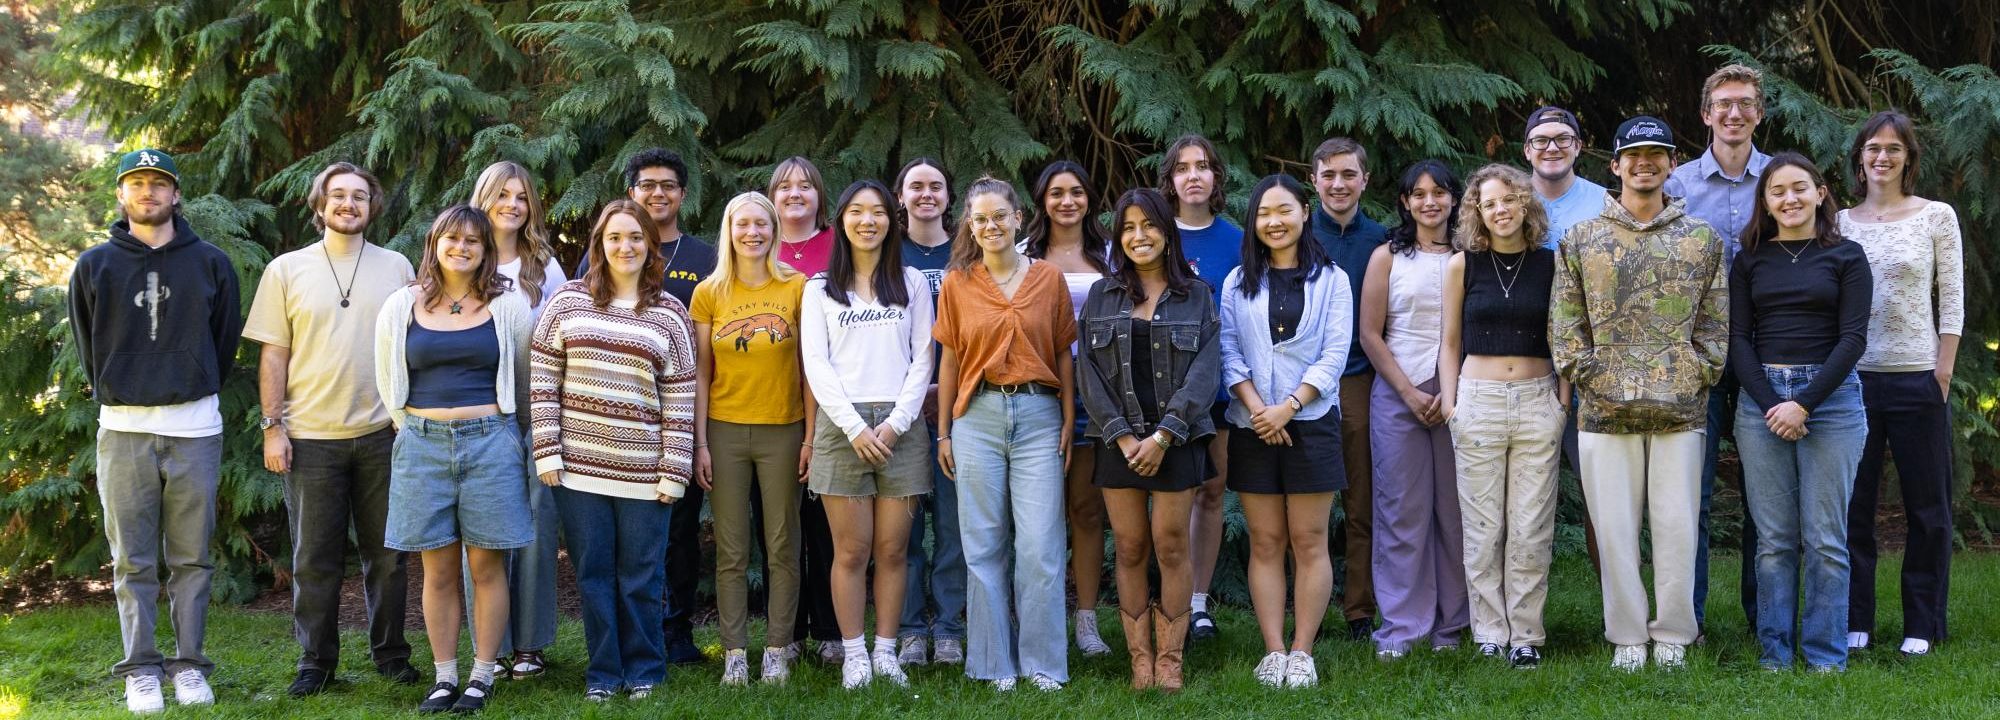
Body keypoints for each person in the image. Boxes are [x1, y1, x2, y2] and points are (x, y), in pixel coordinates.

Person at [1551, 116, 1727, 671]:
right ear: (1616, 164)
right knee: (1615, 527)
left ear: (1673, 162)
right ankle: (1627, 634)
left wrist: (1696, 370)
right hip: (1603, 411)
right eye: (1633, 154)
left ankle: (1673, 633)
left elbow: (1715, 323)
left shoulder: (1702, 239)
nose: (1644, 162)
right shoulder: (1582, 238)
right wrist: (1591, 376)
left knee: (1676, 525)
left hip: (1680, 409)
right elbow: (1565, 324)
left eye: (1656, 153)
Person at [69, 149, 240, 713]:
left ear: (175, 195)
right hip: (123, 430)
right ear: (121, 195)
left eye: (159, 183)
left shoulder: (211, 263)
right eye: (137, 183)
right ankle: (141, 669)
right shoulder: (94, 266)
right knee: (132, 561)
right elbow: (88, 347)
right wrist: (127, 386)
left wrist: (187, 379)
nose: (148, 192)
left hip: (195, 429)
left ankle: (190, 666)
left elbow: (222, 343)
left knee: (192, 557)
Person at [244, 162, 418, 697]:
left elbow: (416, 342)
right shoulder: (286, 270)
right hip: (311, 438)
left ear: (372, 206)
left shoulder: (397, 266)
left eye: (359, 196)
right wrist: (273, 428)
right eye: (337, 196)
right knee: (313, 559)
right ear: (320, 206)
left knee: (388, 557)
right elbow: (274, 355)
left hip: (381, 435)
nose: (348, 204)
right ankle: (316, 662)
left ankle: (390, 654)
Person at [529, 200, 695, 701]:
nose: (626, 247)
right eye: (615, 237)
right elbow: (542, 380)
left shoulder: (670, 313)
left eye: (636, 238)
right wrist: (546, 449)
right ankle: (604, 673)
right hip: (577, 470)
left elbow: (681, 398)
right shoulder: (567, 302)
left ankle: (645, 670)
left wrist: (675, 468)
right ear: (600, 243)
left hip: (645, 472)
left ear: (651, 246)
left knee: (641, 578)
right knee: (595, 576)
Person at [373, 206, 535, 714]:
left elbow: (525, 379)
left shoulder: (509, 307)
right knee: (437, 568)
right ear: (435, 244)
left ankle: (482, 676)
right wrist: (414, 427)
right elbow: (387, 378)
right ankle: (445, 677)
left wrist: (509, 435)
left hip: (492, 441)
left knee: (487, 564)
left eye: (473, 240)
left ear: (487, 249)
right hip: (421, 444)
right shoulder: (402, 304)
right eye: (451, 238)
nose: (461, 247)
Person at [1728, 153, 1872, 671]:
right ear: (1764, 202)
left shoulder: (1848, 256)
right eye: (1776, 192)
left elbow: (1854, 338)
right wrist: (1774, 405)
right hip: (1762, 399)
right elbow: (1737, 340)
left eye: (1798, 188)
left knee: (1826, 539)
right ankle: (1775, 654)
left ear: (1820, 192)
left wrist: (1804, 403)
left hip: (1831, 402)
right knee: (1774, 541)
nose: (1788, 199)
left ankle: (1826, 655)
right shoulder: (1749, 260)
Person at [933, 176, 1077, 692]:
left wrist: (1066, 419)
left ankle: (1042, 665)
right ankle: (994, 665)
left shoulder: (1049, 280)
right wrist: (945, 432)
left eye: (1000, 216)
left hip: (1039, 417)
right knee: (984, 543)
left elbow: (1063, 352)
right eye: (980, 219)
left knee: (1040, 545)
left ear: (1018, 218)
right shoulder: (957, 283)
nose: (990, 226)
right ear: (969, 225)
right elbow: (948, 359)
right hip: (977, 419)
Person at [577, 149, 717, 665]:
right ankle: (621, 639)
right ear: (632, 192)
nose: (658, 193)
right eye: (646, 184)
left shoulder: (706, 257)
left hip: (680, 416)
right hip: (612, 426)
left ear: (683, 194)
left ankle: (674, 632)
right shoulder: (602, 255)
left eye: (669, 185)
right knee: (615, 547)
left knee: (679, 533)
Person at [1080, 188, 1218, 691]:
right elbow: (1088, 373)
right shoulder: (1103, 295)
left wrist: (1163, 436)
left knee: (1171, 544)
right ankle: (1141, 658)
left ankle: (1170, 660)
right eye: (1129, 228)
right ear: (1118, 236)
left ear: (1167, 232)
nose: (1140, 237)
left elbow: (1205, 372)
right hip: (1117, 442)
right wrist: (1121, 437)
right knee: (1132, 546)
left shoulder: (1196, 294)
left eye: (1150, 226)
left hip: (1176, 440)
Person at [801, 179, 936, 688]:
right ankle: (854, 655)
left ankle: (886, 652)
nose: (868, 221)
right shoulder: (819, 289)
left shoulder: (912, 282)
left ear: (891, 220)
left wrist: (897, 423)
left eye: (877, 212)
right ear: (841, 222)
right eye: (856, 211)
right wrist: (856, 427)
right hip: (842, 427)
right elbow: (816, 363)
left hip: (901, 427)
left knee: (895, 551)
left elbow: (924, 357)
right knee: (852, 552)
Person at [1220, 175, 1352, 687]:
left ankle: (1303, 652)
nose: (1274, 221)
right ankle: (1273, 650)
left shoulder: (1333, 280)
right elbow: (1228, 351)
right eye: (1263, 214)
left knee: (1309, 538)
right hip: (1252, 423)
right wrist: (1259, 409)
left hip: (1312, 422)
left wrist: (1290, 407)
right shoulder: (1236, 282)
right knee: (1267, 540)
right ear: (1253, 222)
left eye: (1284, 210)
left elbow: (1334, 355)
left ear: (1304, 211)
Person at [1840, 110, 1962, 658]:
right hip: (1854, 382)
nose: (1882, 157)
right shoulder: (1838, 222)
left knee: (1927, 507)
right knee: (1853, 506)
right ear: (1860, 158)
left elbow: (1952, 298)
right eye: (1872, 148)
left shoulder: (1935, 216)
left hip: (1917, 378)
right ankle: (1855, 618)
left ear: (1909, 157)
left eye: (1893, 148)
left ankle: (1923, 622)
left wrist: (1943, 368)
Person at [1436, 164, 1563, 668]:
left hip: (1537, 401)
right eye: (1490, 204)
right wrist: (1451, 406)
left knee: (1531, 527)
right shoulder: (1461, 265)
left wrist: (1562, 403)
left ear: (1526, 204)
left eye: (1509, 200)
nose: (1501, 210)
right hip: (1479, 401)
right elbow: (1448, 343)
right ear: (1477, 212)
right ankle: (1489, 630)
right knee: (1484, 527)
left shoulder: (1552, 263)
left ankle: (1526, 636)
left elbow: (1564, 338)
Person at [1665, 64, 1773, 634]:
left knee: (1764, 495)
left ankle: (1766, 620)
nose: (1735, 114)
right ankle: (1691, 620)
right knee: (1693, 494)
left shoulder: (1779, 180)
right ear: (1706, 114)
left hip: (1764, 352)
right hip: (1696, 355)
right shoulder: (1676, 185)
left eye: (1746, 104)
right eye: (1724, 104)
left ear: (1759, 113)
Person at [690, 191, 811, 685]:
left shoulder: (798, 287)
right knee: (732, 550)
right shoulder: (709, 292)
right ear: (729, 230)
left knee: (783, 544)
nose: (753, 233)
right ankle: (736, 652)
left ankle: (778, 650)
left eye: (762, 224)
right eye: (743, 224)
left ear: (774, 229)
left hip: (784, 428)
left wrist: (809, 437)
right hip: (723, 429)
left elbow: (809, 369)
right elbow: (700, 373)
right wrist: (699, 442)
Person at [1360, 160, 1469, 659]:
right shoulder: (1388, 257)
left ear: (1453, 199)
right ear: (1405, 202)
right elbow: (1370, 333)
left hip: (1458, 394)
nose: (1430, 202)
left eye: (1440, 193)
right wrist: (1407, 392)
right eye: (1419, 194)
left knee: (1455, 512)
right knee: (1401, 513)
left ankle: (1452, 626)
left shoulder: (1471, 254)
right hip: (1398, 392)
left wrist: (1448, 395)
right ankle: (1402, 627)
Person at [465, 161, 565, 680]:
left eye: (521, 196)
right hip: (477, 414)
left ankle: (530, 644)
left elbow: (564, 333)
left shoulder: (544, 267)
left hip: (536, 415)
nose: (512, 204)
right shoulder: (462, 256)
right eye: (502, 194)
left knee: (536, 527)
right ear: (483, 198)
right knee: (483, 530)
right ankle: (492, 645)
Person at [1021, 159, 1115, 658]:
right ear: (1042, 201)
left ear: (1088, 199)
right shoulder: (1021, 257)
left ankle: (1085, 620)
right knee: (1037, 517)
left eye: (1076, 192)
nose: (1066, 202)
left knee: (1085, 511)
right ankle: (1042, 612)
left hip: (1096, 398)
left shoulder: (1110, 257)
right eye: (1056, 193)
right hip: (1038, 396)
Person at [1163, 134, 1243, 641]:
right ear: (1170, 180)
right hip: (1156, 394)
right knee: (1165, 497)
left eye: (1203, 166)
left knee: (1210, 493)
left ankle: (1197, 604)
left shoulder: (1238, 240)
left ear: (1216, 177)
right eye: (1183, 168)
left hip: (1214, 395)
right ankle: (1164, 596)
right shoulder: (1152, 233)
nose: (1193, 176)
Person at [1308, 137, 1386, 642]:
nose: (1338, 184)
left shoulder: (1380, 242)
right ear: (1313, 179)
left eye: (1348, 175)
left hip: (1358, 382)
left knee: (1361, 503)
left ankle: (1359, 610)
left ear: (1364, 180)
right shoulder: (1293, 232)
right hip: (1300, 385)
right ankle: (1303, 606)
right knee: (1301, 505)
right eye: (1328, 175)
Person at [766, 155, 844, 663]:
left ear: (819, 195)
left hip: (833, 402)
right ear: (771, 197)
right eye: (785, 186)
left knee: (826, 524)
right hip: (771, 404)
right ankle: (787, 632)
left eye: (805, 185)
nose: (795, 193)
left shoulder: (838, 245)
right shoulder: (753, 243)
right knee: (777, 528)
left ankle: (833, 632)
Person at [892, 157, 968, 667]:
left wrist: (950, 387)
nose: (926, 194)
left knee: (955, 527)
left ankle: (950, 627)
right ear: (900, 196)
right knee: (904, 529)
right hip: (900, 410)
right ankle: (910, 627)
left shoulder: (968, 251)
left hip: (962, 407)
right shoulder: (883, 252)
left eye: (935, 186)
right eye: (915, 186)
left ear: (948, 196)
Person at [1524, 106, 1609, 248]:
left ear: (1577, 147)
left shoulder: (1606, 204)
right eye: (1541, 140)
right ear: (1527, 150)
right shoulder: (1507, 203)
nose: (1552, 148)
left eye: (1562, 139)